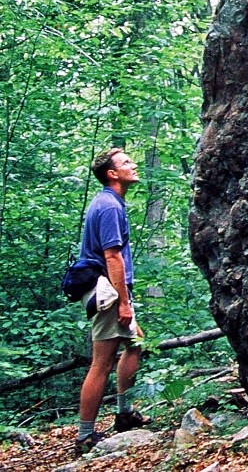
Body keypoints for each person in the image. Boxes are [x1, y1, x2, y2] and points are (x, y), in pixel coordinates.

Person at [74, 147, 151, 455]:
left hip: (111, 289)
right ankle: (84, 435)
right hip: (107, 292)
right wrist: (123, 302)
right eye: (126, 162)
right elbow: (112, 256)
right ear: (112, 174)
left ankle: (124, 413)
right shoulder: (108, 206)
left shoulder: (110, 203)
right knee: (101, 363)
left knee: (136, 343)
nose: (133, 165)